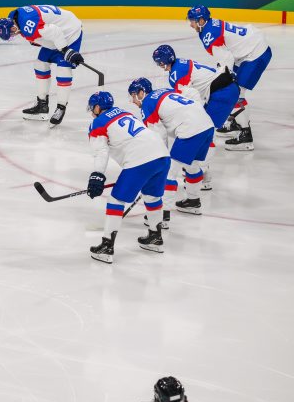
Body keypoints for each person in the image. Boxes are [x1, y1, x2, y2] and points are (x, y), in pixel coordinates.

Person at [84, 91, 171, 264]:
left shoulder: (98, 122)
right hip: (162, 155)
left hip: (140, 159)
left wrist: (97, 175)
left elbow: (101, 151)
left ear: (97, 107)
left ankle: (107, 246)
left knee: (116, 200)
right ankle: (155, 237)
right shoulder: (125, 113)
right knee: (152, 197)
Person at [152, 43, 241, 186]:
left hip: (223, 93)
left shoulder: (176, 74)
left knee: (207, 131)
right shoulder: (180, 63)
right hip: (224, 89)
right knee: (204, 129)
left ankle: (203, 174)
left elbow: (191, 97)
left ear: (162, 62)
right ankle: (199, 170)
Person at [187, 5, 272, 151]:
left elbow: (226, 59)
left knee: (235, 94)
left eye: (193, 21)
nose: (191, 24)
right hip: (249, 47)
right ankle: (236, 123)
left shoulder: (209, 33)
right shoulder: (209, 26)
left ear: (201, 20)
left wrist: (225, 76)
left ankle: (246, 136)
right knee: (233, 90)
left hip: (255, 53)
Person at [129, 77, 214, 217]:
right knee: (192, 165)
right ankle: (193, 201)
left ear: (141, 92)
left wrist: (161, 159)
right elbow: (191, 92)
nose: (133, 101)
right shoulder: (165, 91)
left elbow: (159, 135)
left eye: (133, 96)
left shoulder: (148, 104)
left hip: (190, 130)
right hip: (207, 125)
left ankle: (163, 215)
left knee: (168, 173)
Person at [0, 4, 85, 126]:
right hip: (58, 31)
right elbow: (44, 29)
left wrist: (65, 50)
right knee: (40, 64)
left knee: (64, 68)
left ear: (13, 27)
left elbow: (55, 31)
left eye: (12, 33)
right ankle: (42, 105)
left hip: (69, 30)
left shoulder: (27, 25)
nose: (13, 35)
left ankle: (61, 107)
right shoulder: (14, 17)